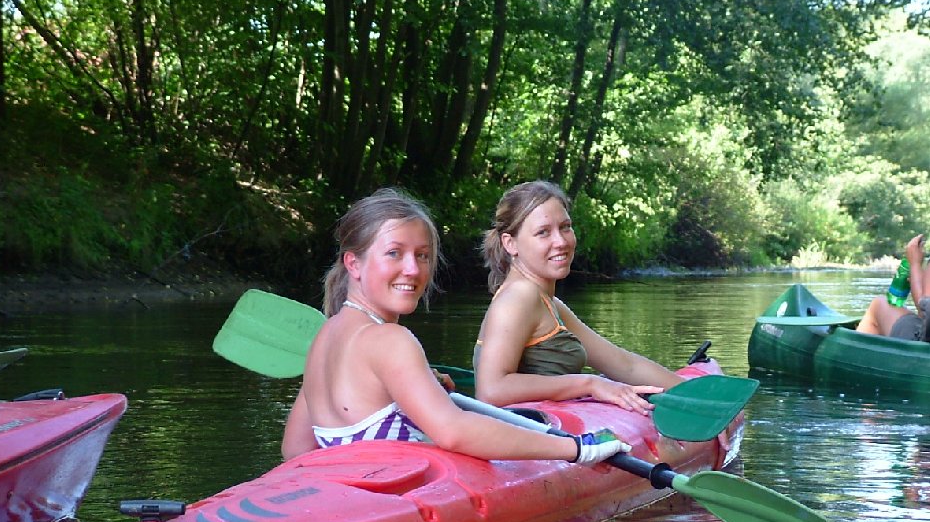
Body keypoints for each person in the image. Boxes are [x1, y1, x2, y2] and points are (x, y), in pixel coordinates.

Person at [280, 187, 630, 465]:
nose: (414, 270)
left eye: (422, 255)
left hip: (354, 497)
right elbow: (453, 432)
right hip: (397, 509)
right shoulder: (390, 340)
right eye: (394, 253)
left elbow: (296, 449)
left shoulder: (324, 337)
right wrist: (572, 449)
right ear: (353, 264)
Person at [473, 180, 685, 416]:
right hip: (520, 439)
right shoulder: (520, 296)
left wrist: (697, 399)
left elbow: (625, 364)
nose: (561, 241)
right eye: (543, 232)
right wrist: (590, 384)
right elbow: (491, 390)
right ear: (510, 243)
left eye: (565, 227)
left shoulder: (549, 303)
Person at [856, 234, 930, 341]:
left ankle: (853, 352)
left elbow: (925, 311)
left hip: (923, 350)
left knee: (879, 304)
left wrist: (914, 264)